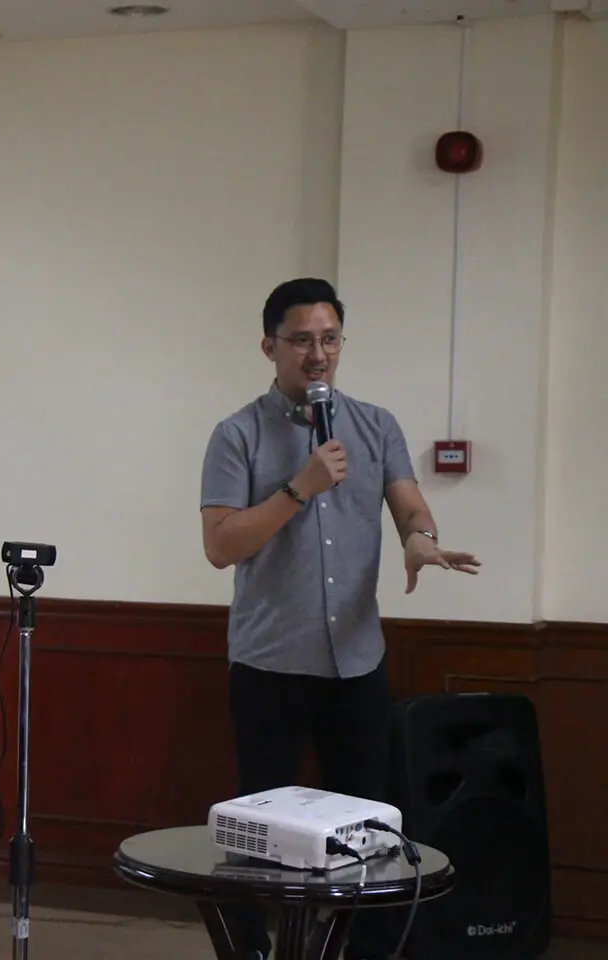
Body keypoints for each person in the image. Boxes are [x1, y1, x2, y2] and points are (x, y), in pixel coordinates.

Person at [198, 278, 480, 960]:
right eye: (301, 340)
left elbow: (409, 506)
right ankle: (253, 948)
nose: (318, 354)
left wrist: (420, 540)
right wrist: (301, 486)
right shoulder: (237, 434)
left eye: (329, 339)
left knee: (369, 829)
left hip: (356, 662)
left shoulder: (376, 425)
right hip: (270, 662)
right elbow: (220, 545)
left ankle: (364, 951)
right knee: (258, 829)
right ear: (269, 346)